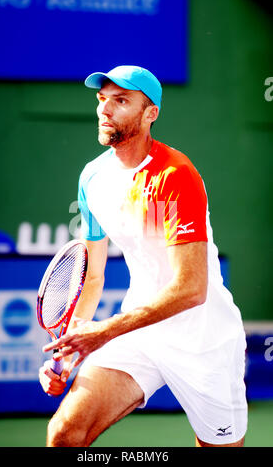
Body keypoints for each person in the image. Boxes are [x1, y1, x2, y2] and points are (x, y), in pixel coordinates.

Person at [39, 65, 248, 447]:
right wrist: (74, 345)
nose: (105, 110)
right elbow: (93, 274)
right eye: (102, 100)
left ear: (150, 114)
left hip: (205, 338)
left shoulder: (176, 175)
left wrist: (102, 332)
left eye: (121, 101)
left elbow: (191, 290)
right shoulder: (92, 178)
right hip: (139, 332)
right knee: (65, 433)